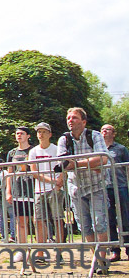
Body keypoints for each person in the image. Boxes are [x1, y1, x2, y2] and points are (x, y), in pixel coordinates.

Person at [57, 107, 110, 269]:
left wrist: (78, 164)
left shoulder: (94, 136)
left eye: (74, 118)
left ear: (83, 121)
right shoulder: (63, 140)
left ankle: (102, 260)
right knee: (84, 226)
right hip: (76, 189)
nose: (70, 120)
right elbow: (63, 164)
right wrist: (91, 164)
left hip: (97, 186)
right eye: (68, 118)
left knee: (99, 222)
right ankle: (98, 259)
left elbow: (103, 159)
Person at [28, 122, 65, 264]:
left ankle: (60, 252)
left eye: (44, 131)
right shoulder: (33, 151)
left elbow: (63, 167)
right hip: (39, 190)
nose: (41, 134)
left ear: (50, 134)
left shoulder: (56, 149)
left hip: (55, 190)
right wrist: (52, 180)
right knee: (38, 220)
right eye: (38, 132)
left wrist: (59, 182)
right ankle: (41, 252)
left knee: (57, 219)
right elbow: (34, 172)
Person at [6, 126, 36, 269]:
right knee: (20, 222)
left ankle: (39, 252)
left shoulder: (34, 150)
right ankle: (22, 250)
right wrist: (8, 191)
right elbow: (9, 172)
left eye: (22, 133)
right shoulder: (12, 152)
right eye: (17, 133)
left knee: (37, 221)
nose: (19, 136)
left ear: (28, 136)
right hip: (18, 191)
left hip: (33, 189)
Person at [101, 124, 129, 261]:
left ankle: (128, 248)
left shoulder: (121, 149)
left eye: (108, 129)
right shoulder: (98, 149)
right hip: (105, 187)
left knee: (125, 217)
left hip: (121, 185)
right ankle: (115, 250)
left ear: (114, 133)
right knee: (109, 218)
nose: (104, 131)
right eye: (102, 129)